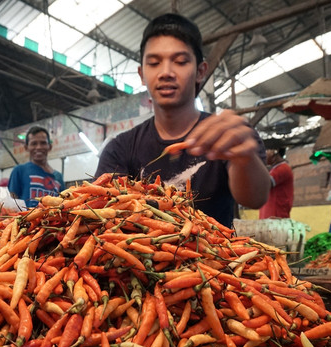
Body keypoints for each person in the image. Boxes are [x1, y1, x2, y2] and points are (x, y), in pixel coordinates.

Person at [94, 13, 270, 227]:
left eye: (180, 61)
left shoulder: (226, 135)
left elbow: (254, 199)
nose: (166, 72)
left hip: (216, 258)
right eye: (154, 63)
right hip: (141, 259)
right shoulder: (120, 148)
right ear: (141, 74)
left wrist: (246, 158)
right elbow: (103, 213)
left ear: (200, 71)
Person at [8, 126, 64, 207]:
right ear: (26, 147)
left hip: (53, 219)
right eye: (34, 143)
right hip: (26, 219)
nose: (39, 147)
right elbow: (12, 202)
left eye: (43, 143)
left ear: (50, 146)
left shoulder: (58, 177)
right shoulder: (19, 170)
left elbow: (63, 203)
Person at [259, 148, 294, 219]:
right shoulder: (274, 169)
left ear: (274, 151)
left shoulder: (283, 168)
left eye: (266, 150)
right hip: (270, 216)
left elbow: (264, 184)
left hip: (276, 216)